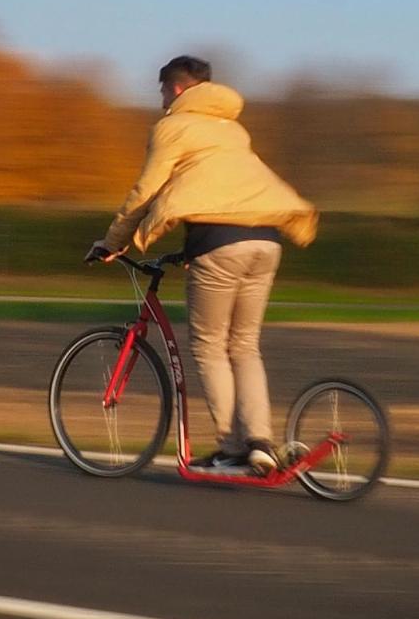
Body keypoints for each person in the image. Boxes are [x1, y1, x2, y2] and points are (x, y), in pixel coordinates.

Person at [86, 55, 318, 475]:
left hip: (220, 246)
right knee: (244, 346)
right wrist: (189, 251)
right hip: (267, 241)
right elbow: (218, 188)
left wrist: (112, 243)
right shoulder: (232, 129)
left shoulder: (172, 127)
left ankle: (231, 448)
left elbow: (146, 191)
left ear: (176, 89)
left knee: (209, 346)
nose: (160, 101)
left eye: (161, 92)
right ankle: (261, 445)